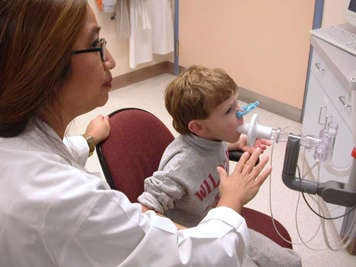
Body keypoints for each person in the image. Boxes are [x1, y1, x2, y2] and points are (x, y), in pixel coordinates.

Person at [0, 1, 271, 266]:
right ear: (45, 65)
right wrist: (232, 197)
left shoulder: (16, 147)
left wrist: (88, 140)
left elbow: (41, 156)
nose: (111, 60)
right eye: (96, 45)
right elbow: (195, 258)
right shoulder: (69, 202)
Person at [138, 65, 302, 267]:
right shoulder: (180, 165)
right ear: (197, 127)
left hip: (221, 220)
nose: (241, 112)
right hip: (199, 241)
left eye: (236, 103)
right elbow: (145, 211)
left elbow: (215, 146)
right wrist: (185, 237)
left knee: (289, 262)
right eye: (229, 110)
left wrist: (238, 142)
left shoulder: (212, 138)